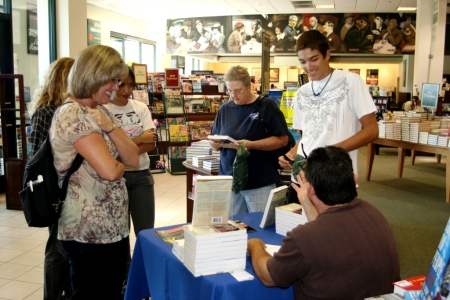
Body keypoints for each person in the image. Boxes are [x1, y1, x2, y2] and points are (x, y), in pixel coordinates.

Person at [248, 145, 400, 299]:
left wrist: (255, 244)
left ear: (311, 189)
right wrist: (307, 203)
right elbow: (329, 233)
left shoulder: (302, 238)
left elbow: (268, 277)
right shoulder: (374, 212)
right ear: (354, 179)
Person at [49, 44, 139, 300]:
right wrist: (117, 164)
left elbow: (133, 157)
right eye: (111, 80)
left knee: (110, 292)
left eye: (118, 80)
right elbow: (112, 171)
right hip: (86, 234)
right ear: (92, 75)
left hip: (111, 229)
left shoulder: (100, 110)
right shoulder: (72, 114)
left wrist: (110, 127)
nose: (116, 87)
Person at [279, 30, 378, 203]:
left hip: (335, 177)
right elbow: (306, 137)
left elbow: (371, 131)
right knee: (300, 227)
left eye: (314, 59)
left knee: (333, 229)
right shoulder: (302, 93)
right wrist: (291, 154)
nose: (308, 67)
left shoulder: (351, 81)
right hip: (303, 176)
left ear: (327, 54)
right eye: (303, 62)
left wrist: (326, 156)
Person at [210, 65, 288, 216]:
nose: (233, 95)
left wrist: (251, 145)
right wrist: (215, 144)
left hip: (259, 181)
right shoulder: (224, 109)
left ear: (249, 86)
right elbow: (215, 140)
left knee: (261, 228)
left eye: (238, 91)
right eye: (229, 90)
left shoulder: (266, 106)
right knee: (234, 228)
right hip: (230, 181)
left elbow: (282, 139)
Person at [105, 67, 157, 293]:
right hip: (116, 178)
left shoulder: (140, 107)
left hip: (142, 176)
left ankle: (144, 278)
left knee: (145, 232)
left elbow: (151, 144)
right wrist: (138, 138)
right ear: (112, 83)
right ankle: (125, 281)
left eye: (130, 85)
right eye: (121, 84)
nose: (126, 90)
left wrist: (123, 143)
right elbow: (106, 152)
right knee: (120, 232)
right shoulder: (103, 110)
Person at [28, 57, 74, 300]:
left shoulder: (70, 109)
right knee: (57, 250)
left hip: (69, 189)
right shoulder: (46, 112)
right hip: (54, 191)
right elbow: (35, 157)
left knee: (66, 249)